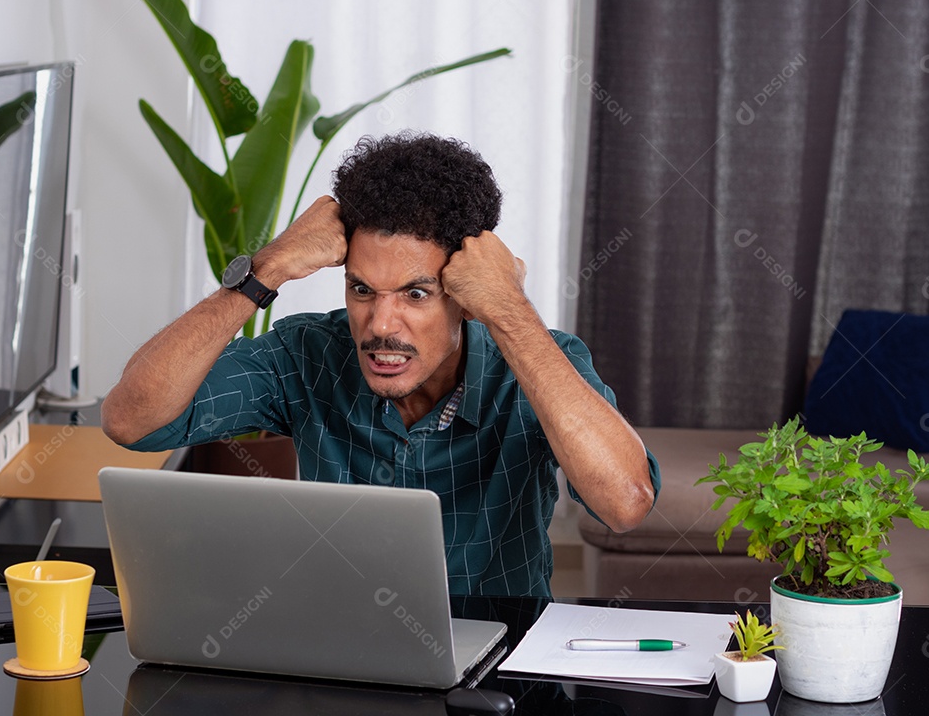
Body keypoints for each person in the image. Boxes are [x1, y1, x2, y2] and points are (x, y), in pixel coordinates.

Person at [102, 132, 660, 597]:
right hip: (343, 665)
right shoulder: (306, 354)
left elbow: (625, 504)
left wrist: (510, 310)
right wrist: (265, 270)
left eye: (416, 294)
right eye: (362, 289)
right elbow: (131, 421)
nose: (381, 324)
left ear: (466, 296)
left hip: (502, 668)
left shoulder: (540, 362)